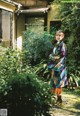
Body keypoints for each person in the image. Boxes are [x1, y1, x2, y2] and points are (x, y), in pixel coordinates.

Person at [48, 30, 68, 104]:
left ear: (62, 37)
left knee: (58, 82)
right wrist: (51, 56)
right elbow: (53, 54)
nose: (58, 37)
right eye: (57, 35)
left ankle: (59, 99)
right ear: (55, 36)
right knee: (54, 82)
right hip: (54, 66)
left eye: (60, 35)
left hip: (59, 66)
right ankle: (55, 98)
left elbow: (63, 56)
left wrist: (59, 63)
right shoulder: (56, 44)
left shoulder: (63, 45)